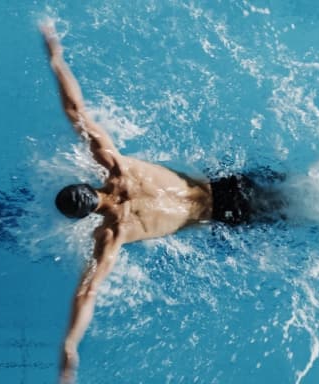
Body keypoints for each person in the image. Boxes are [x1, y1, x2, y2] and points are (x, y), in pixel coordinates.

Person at [41, 24, 285, 383]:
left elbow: (87, 292)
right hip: (229, 186)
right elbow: (77, 112)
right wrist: (56, 57)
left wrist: (70, 346)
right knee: (306, 191)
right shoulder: (116, 166)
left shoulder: (112, 233)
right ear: (86, 181)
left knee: (300, 215)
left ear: (85, 216)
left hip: (229, 217)